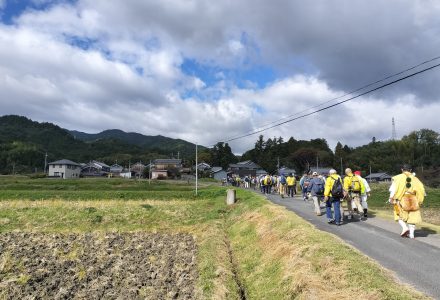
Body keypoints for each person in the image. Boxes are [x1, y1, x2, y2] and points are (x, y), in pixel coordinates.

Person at [389, 164, 425, 239]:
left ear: (402, 169)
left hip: (402, 199)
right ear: (410, 170)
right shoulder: (416, 179)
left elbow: (393, 189)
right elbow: (422, 191)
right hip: (413, 199)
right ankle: (412, 234)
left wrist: (391, 198)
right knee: (413, 217)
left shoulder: (397, 178)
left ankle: (405, 228)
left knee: (398, 214)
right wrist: (420, 201)